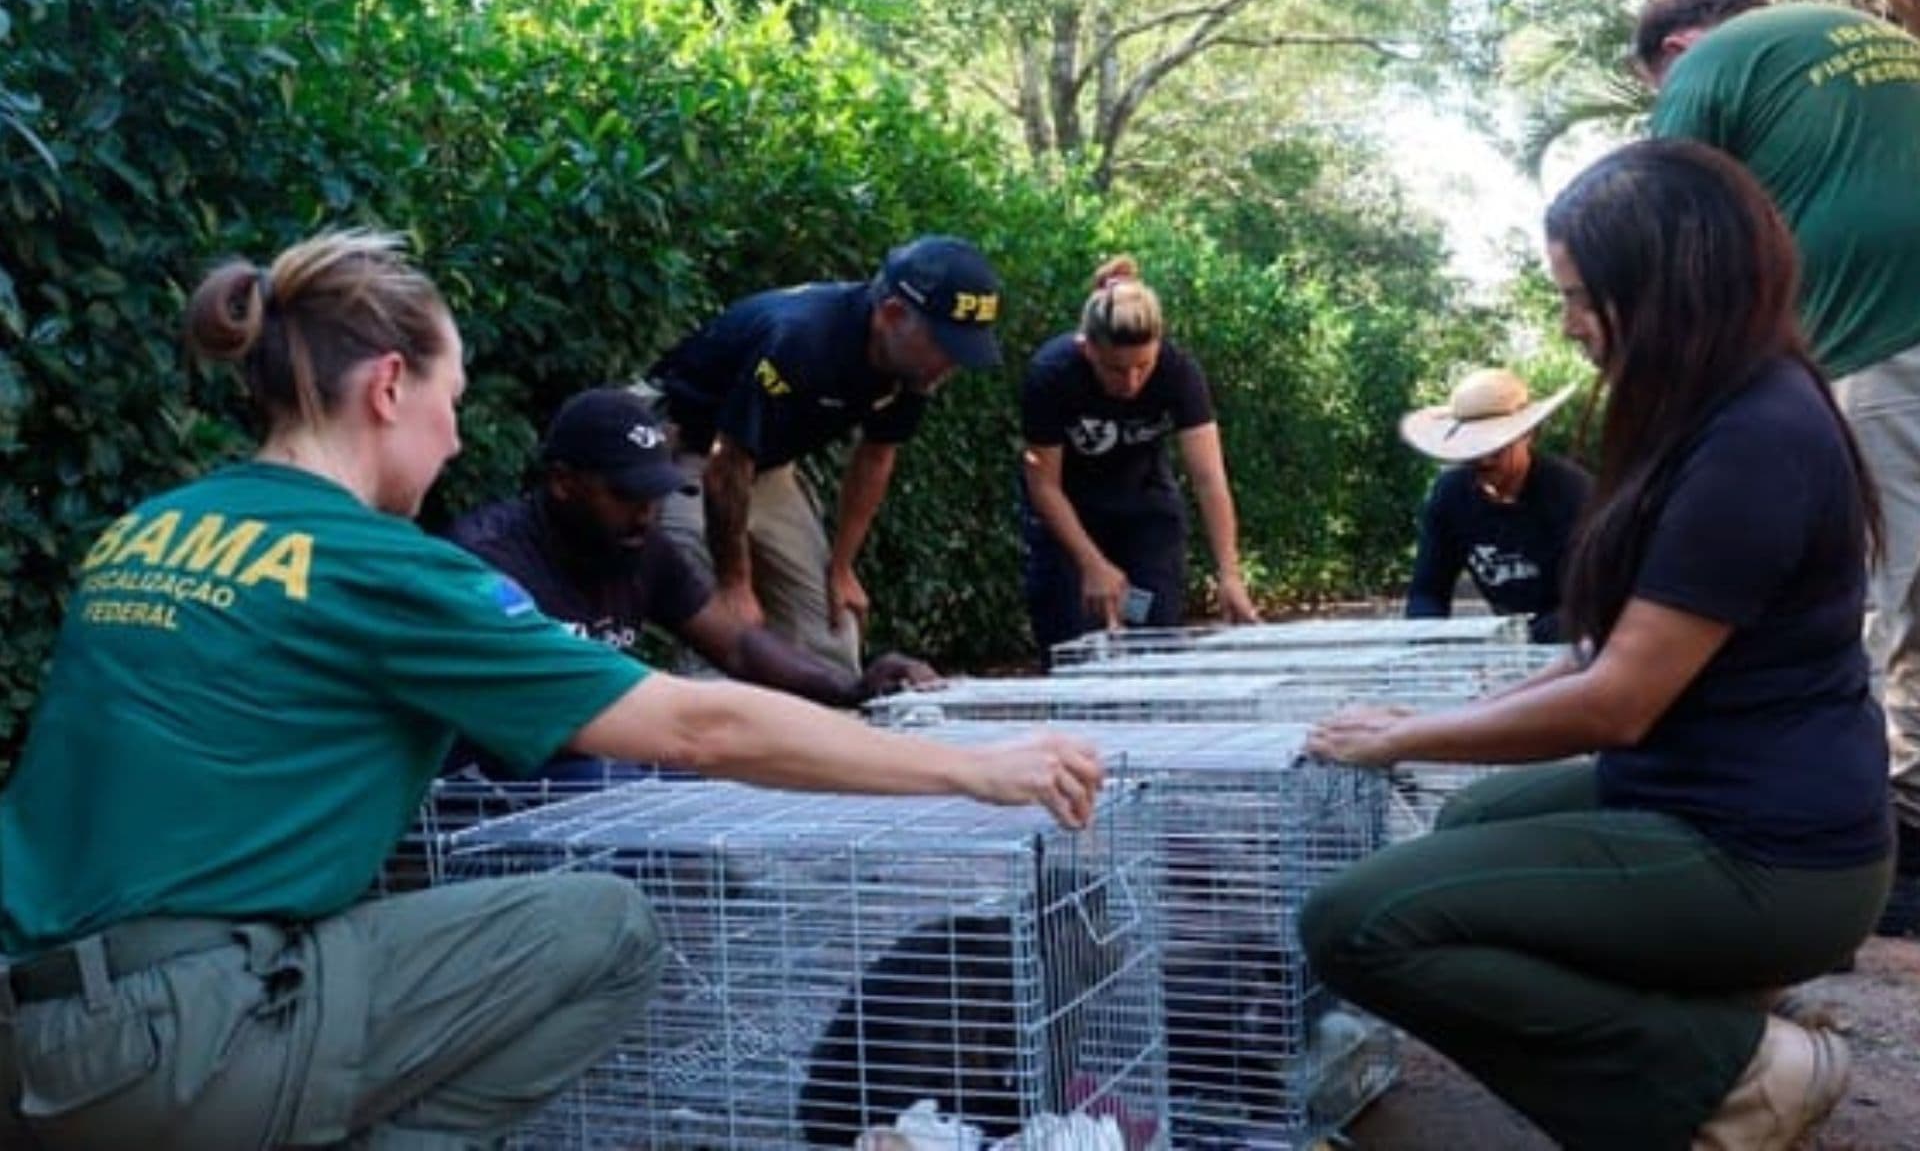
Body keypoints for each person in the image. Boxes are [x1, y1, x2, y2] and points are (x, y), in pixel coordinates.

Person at [0, 231, 1101, 1151]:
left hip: (29, 1025)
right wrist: (973, 769)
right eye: (452, 399)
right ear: (390, 387)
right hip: (170, 1047)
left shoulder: (146, 532)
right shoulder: (387, 568)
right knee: (607, 929)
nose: (457, 438)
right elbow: (695, 723)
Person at [1301, 142, 1891, 1151]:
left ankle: (1737, 1079)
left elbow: (1616, 700)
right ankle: (1722, 1009)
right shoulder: (1699, 414)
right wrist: (1440, 720)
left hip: (1772, 856)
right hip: (1705, 794)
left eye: (1581, 297)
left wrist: (1405, 740)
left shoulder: (1756, 438)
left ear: (1667, 285)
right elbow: (1593, 651)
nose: (1570, 323)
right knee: (1473, 820)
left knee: (1354, 923)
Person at [1634, 0, 1920, 932]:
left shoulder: (1704, 67)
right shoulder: (1871, 39)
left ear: (1675, 50)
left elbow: (1662, 238)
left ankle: (1896, 841)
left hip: (1880, 341)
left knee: (1881, 600)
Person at [447, 385, 937, 782]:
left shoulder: (639, 546)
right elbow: (550, 712)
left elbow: (739, 647)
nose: (646, 513)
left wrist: (852, 688)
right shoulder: (488, 566)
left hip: (595, 758)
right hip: (494, 778)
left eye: (655, 495)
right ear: (562, 483)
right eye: (626, 494)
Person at [645, 235, 1003, 677]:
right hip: (689, 454)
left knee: (832, 628)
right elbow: (727, 464)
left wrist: (842, 566)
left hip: (767, 468)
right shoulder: (800, 339)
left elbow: (876, 456)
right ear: (892, 315)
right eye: (945, 346)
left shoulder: (914, 366)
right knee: (718, 627)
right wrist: (735, 584)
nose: (951, 365)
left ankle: (830, 713)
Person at [1019, 256, 1258, 658]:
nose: (1131, 382)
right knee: (1072, 646)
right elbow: (1043, 484)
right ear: (1088, 348)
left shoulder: (1179, 373)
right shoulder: (1052, 374)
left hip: (1144, 510)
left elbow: (1209, 478)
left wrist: (1230, 573)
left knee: (1155, 638)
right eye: (1115, 369)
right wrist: (1091, 564)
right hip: (1068, 516)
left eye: (1143, 366)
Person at [1399, 367, 1588, 643]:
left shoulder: (1572, 494)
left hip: (1577, 642)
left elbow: (1592, 602)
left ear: (1528, 435)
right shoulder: (1449, 495)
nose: (1483, 460)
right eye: (1472, 449)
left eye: (1496, 448)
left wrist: (1520, 639)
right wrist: (1426, 641)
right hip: (1512, 642)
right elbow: (1427, 592)